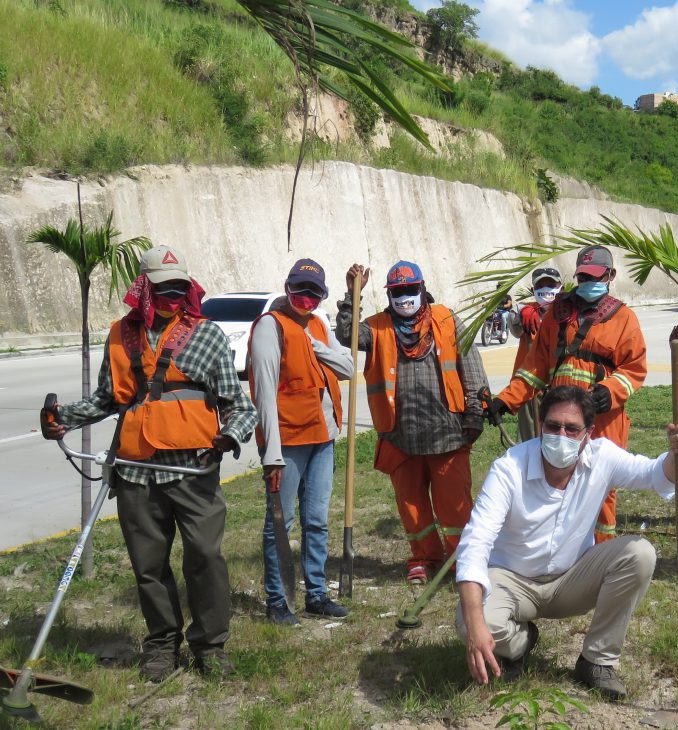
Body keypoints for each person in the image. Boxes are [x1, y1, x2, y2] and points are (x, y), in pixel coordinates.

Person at [40, 245, 257, 680]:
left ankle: (210, 646)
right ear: (143, 288)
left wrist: (230, 435)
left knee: (205, 558)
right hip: (136, 471)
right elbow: (107, 398)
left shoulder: (207, 334)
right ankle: (162, 645)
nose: (172, 296)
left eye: (179, 288)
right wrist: (62, 418)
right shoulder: (121, 334)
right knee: (148, 565)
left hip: (194, 468)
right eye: (163, 289)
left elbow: (241, 406)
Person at [456, 386, 678, 701]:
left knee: (639, 553)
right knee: (469, 622)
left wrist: (677, 453)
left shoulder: (602, 457)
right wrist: (475, 622)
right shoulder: (509, 468)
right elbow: (476, 540)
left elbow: (653, 474)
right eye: (553, 426)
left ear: (589, 433)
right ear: (540, 426)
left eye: (572, 429)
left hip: (571, 578)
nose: (561, 435)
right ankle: (520, 642)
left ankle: (597, 661)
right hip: (511, 579)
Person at [336, 260, 488, 585]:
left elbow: (471, 366)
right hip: (399, 435)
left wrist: (475, 412)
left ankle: (465, 561)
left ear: (422, 288)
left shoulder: (446, 320)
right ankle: (424, 558)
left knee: (455, 506)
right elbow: (346, 335)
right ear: (389, 294)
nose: (404, 297)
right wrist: (353, 294)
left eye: (409, 290)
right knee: (412, 506)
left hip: (448, 433)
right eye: (397, 292)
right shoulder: (377, 328)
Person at [487, 246, 647, 542]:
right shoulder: (558, 315)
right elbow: (535, 368)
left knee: (601, 488)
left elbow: (634, 368)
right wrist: (505, 400)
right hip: (561, 418)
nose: (588, 282)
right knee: (555, 484)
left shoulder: (623, 318)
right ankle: (559, 553)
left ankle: (600, 555)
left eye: (595, 276)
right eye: (583, 276)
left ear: (610, 276)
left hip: (603, 419)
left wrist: (609, 392)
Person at [248, 258, 354, 625]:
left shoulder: (317, 328)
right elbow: (263, 395)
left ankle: (316, 594)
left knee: (317, 520)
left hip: (322, 437)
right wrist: (272, 455)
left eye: (314, 293)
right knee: (282, 522)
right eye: (301, 291)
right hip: (288, 443)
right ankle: (278, 600)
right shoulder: (269, 327)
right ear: (287, 287)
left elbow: (349, 369)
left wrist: (315, 345)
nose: (307, 299)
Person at [507, 267, 564, 441]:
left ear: (560, 286)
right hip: (529, 387)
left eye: (550, 284)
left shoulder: (567, 312)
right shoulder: (525, 313)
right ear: (533, 290)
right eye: (541, 285)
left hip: (559, 386)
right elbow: (515, 327)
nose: (546, 289)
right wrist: (523, 311)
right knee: (531, 439)